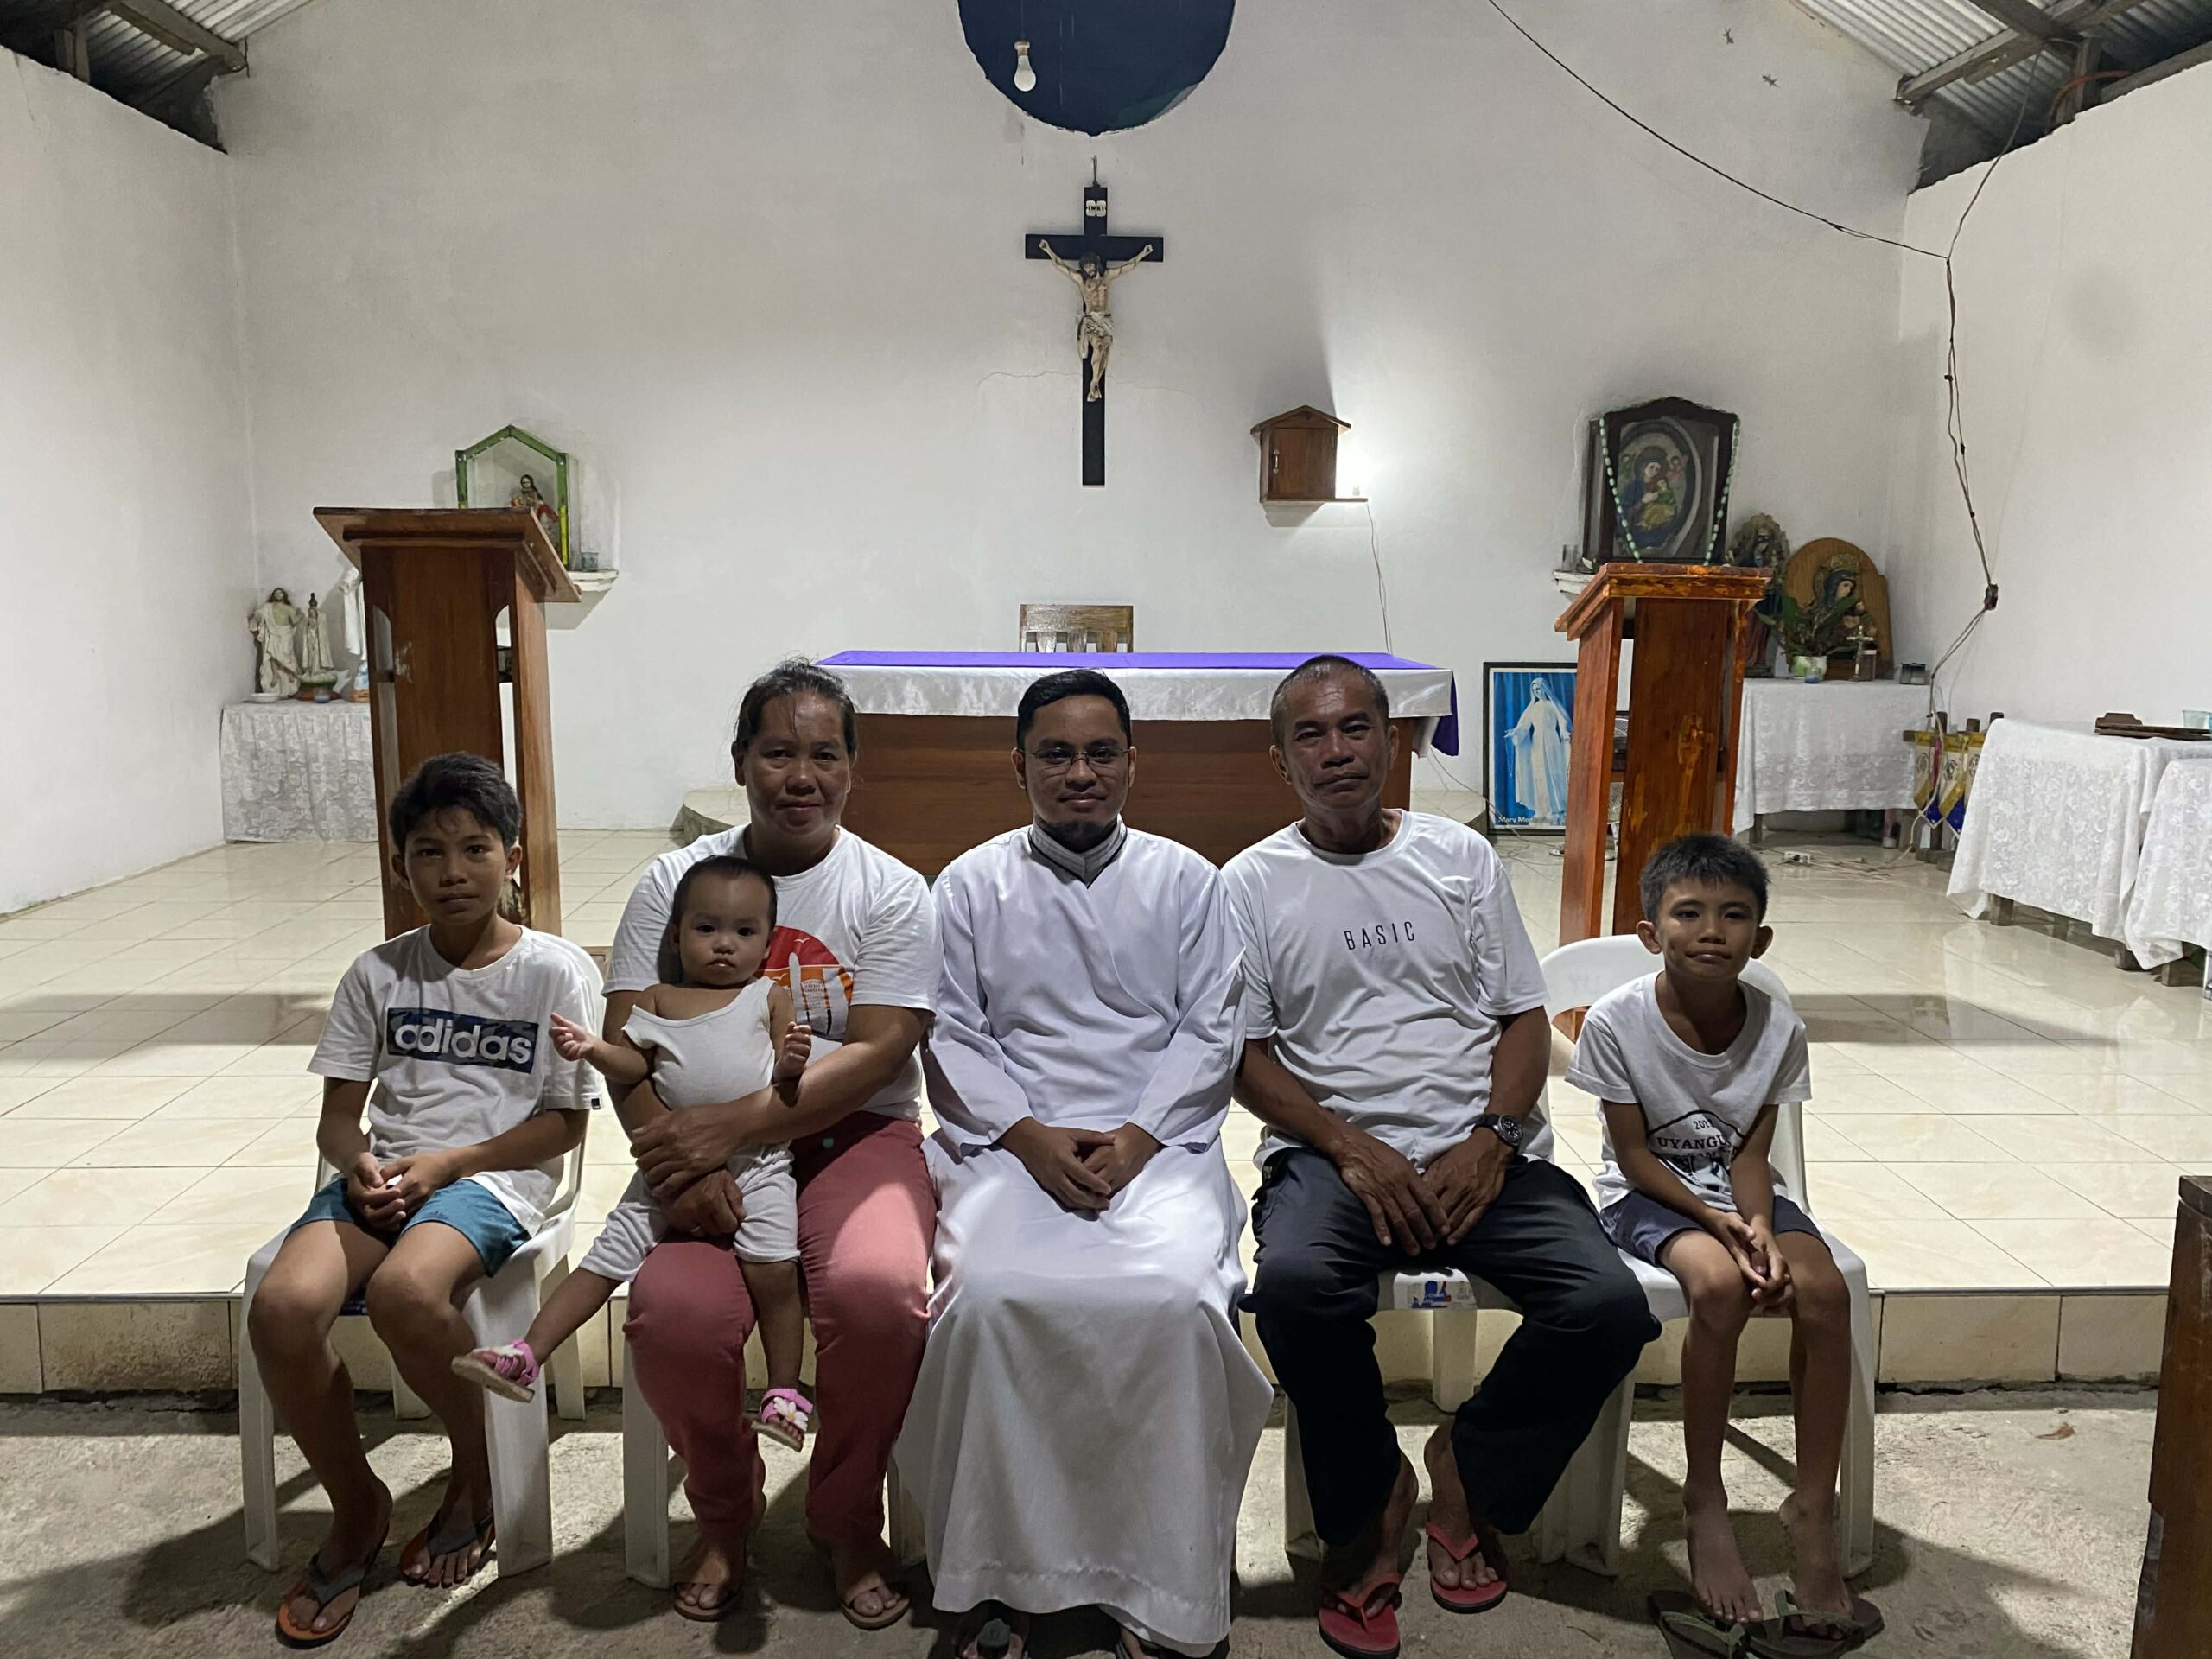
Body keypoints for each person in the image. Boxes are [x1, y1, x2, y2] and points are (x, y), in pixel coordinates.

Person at [1227, 656, 1657, 1659]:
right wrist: (1349, 1147)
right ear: (1280, 760)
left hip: (1481, 1149)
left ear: (1391, 741)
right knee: (1292, 1290)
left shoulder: (1457, 858)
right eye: (1309, 735)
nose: (1336, 751)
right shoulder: (1248, 882)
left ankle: (1471, 1469)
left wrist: (1494, 1139)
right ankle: (1370, 1500)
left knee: (1605, 1304)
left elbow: (1522, 1017)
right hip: (1332, 1158)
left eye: (1355, 728)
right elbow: (1243, 1056)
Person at [899, 668, 1272, 1659]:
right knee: (987, 1301)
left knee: (1177, 1302)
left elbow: (1211, 1028)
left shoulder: (1188, 880)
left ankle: (1161, 1583)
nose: (1079, 773)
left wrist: (1138, 1137)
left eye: (1101, 752)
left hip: (1159, 1145)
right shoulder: (968, 885)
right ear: (1017, 764)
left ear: (1132, 763)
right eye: (1055, 754)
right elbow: (953, 1033)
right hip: (1009, 1146)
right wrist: (1026, 1135)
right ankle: (1000, 1575)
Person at [245, 752, 602, 1647]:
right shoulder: (378, 973)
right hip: (388, 1176)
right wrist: (359, 1162)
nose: (452, 872)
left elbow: (564, 1126)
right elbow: (338, 1118)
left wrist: (452, 1163)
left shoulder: (553, 973)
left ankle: (474, 1471)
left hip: (494, 1178)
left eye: (475, 849)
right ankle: (357, 1505)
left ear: (512, 858)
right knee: (282, 1307)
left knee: (407, 1291)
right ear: (400, 865)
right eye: (428, 853)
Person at [607, 660, 938, 1625]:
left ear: (853, 768)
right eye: (778, 752)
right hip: (700, 1151)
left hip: (854, 1136)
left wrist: (736, 1124)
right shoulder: (673, 882)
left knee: (879, 1297)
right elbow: (625, 1043)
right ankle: (724, 1513)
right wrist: (674, 1160)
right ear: (740, 761)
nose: (801, 776)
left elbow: (880, 1051)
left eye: (824, 755)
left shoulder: (889, 890)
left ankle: (846, 1518)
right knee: (674, 1316)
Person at [1568, 835, 1878, 1651]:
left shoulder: (1780, 1027)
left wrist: (1762, 1226)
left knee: (1824, 1290)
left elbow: (1749, 1153)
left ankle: (1813, 1509)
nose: (1712, 931)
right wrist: (1719, 1228)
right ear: (1651, 932)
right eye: (1689, 913)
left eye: (1734, 915)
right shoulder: (1616, 1021)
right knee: (1718, 1286)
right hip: (1646, 1197)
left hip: (1742, 1198)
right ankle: (1704, 1498)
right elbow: (1633, 1155)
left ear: (1760, 938)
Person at [451, 855, 816, 1450]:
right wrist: (592, 1048)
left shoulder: (767, 997)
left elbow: (783, 1085)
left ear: (767, 943)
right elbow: (632, 1065)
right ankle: (526, 1354)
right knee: (604, 1259)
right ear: (675, 936)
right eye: (706, 928)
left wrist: (794, 1061)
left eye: (744, 931)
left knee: (774, 1270)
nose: (725, 944)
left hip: (759, 1163)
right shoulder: (658, 999)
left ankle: (783, 1393)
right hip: (668, 1167)